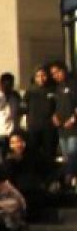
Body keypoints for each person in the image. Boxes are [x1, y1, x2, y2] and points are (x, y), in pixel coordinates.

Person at [24, 65, 57, 183]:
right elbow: (24, 108)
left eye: (43, 75)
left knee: (49, 155)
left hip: (49, 128)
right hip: (34, 127)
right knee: (33, 155)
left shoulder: (53, 89)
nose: (41, 78)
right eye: (38, 76)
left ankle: (50, 181)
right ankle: (35, 181)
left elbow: (58, 107)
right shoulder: (30, 91)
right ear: (35, 77)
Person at [49, 61, 77, 190]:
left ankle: (69, 179)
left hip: (73, 128)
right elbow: (56, 106)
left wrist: (73, 118)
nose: (55, 76)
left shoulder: (73, 84)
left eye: (57, 72)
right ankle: (70, 182)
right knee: (66, 157)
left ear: (63, 70)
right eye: (53, 74)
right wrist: (54, 116)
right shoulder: (57, 88)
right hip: (61, 129)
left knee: (72, 155)